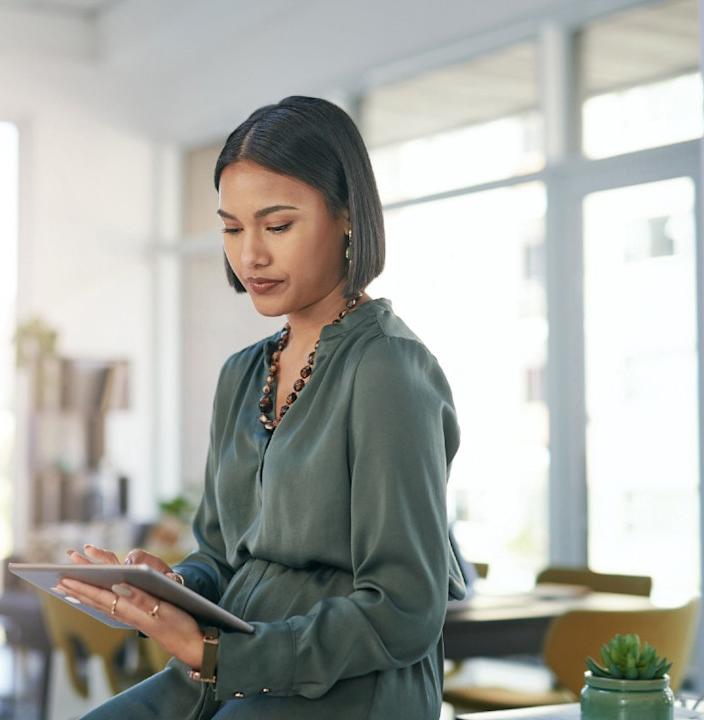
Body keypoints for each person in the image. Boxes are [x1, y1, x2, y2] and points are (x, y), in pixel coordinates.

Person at [56, 96, 465, 719]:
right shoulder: (241, 374)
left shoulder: (388, 371)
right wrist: (168, 589)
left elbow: (405, 608)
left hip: (350, 681)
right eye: (231, 227)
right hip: (227, 665)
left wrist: (221, 654)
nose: (250, 255)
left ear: (347, 217)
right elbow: (221, 558)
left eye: (277, 226)